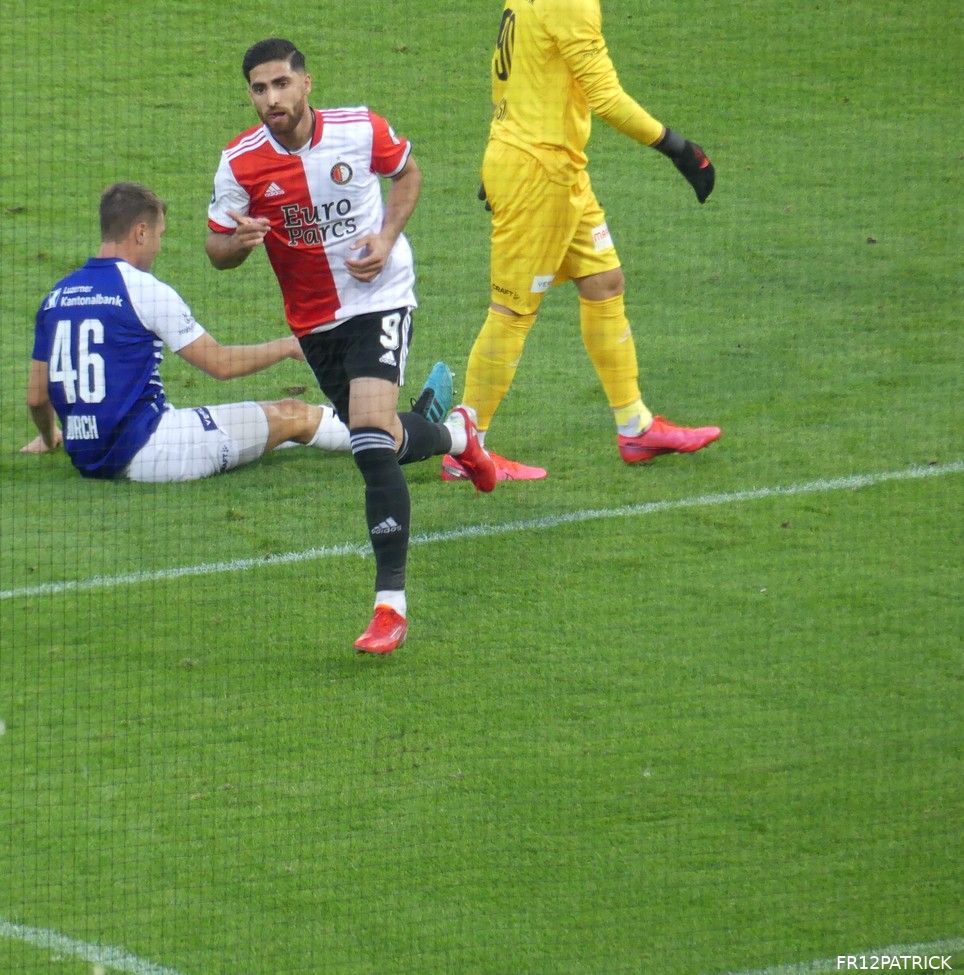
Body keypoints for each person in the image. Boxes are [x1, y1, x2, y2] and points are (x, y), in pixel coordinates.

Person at [205, 37, 496, 655]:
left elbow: (408, 173)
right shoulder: (240, 162)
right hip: (313, 323)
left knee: (365, 436)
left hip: (381, 295)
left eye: (281, 84)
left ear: (307, 84)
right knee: (382, 436)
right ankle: (460, 437)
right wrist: (240, 243)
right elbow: (215, 250)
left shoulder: (360, 128)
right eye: (259, 89)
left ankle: (390, 605)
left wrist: (387, 237)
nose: (271, 99)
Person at [444, 0, 721, 480]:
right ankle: (464, 452)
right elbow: (606, 97)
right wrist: (680, 149)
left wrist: (500, 154)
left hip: (556, 166)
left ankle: (634, 425)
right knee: (513, 311)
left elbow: (512, 75)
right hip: (539, 172)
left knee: (604, 282)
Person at [22, 181, 352, 483]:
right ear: (140, 233)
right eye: (159, 235)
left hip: (87, 456)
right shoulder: (144, 290)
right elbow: (221, 365)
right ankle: (388, 433)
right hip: (155, 451)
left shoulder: (57, 296)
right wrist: (288, 346)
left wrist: (51, 438)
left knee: (270, 427)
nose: (159, 247)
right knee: (293, 414)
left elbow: (37, 396)